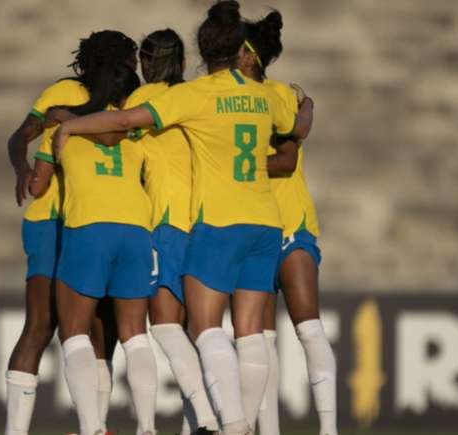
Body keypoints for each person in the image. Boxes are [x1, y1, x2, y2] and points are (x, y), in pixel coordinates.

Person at [47, 2, 313, 433]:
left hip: (175, 220)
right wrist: (307, 103)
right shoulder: (255, 94)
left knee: (173, 328)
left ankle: (211, 420)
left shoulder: (178, 98)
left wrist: (70, 123)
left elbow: (120, 124)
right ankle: (232, 423)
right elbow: (297, 130)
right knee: (248, 333)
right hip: (258, 219)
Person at [4, 30, 138, 435]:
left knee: (103, 329)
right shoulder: (64, 91)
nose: (136, 67)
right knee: (42, 323)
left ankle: (94, 426)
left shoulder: (128, 100)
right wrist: (22, 167)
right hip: (52, 220)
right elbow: (20, 135)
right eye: (131, 59)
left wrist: (70, 119)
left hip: (97, 220)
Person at [31, 62, 157, 435]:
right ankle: (148, 428)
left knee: (74, 333)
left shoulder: (62, 127)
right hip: (137, 227)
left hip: (88, 226)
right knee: (135, 335)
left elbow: (38, 187)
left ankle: (91, 429)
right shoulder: (138, 127)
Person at [238, 11, 337, 435]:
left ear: (249, 54)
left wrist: (233, 162)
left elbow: (288, 157)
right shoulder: (222, 98)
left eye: (233, 46)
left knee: (308, 327)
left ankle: (329, 429)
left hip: (289, 222)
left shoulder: (277, 95)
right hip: (251, 226)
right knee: (260, 341)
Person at [124, 29, 219, 435]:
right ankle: (194, 424)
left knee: (163, 327)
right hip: (206, 224)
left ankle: (212, 418)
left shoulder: (141, 103)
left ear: (145, 66)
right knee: (190, 332)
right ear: (181, 64)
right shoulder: (197, 98)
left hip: (165, 223)